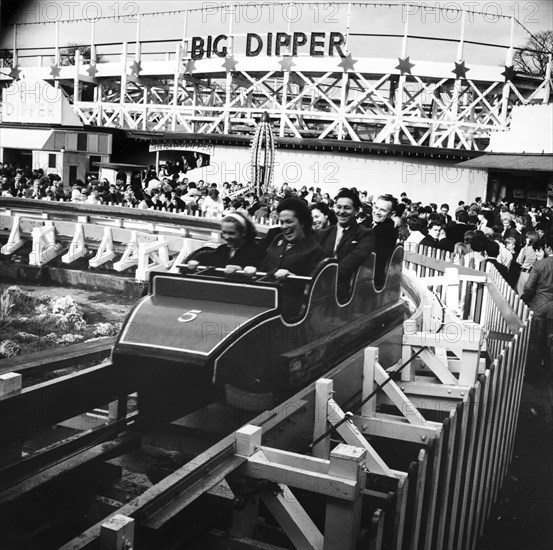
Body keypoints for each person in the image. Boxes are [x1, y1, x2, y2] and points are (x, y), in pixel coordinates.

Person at [317, 188, 375, 301]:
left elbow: (352, 261)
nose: (341, 211)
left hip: (345, 294)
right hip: (317, 289)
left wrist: (322, 278)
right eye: (338, 207)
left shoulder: (365, 234)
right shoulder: (324, 233)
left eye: (347, 208)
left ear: (356, 211)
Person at [261, 197, 324, 279]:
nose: (284, 226)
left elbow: (314, 286)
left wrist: (292, 277)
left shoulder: (315, 250)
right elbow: (263, 267)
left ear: (303, 222)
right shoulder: (278, 239)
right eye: (282, 222)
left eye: (289, 222)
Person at [188, 210, 265, 269]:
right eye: (224, 232)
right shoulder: (223, 249)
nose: (226, 237)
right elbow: (210, 258)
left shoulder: (256, 251)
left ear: (244, 232)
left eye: (231, 233)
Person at [521, 236, 553, 376]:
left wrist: (527, 298)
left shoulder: (540, 265)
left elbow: (528, 287)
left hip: (539, 303)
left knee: (535, 340)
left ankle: (532, 372)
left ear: (548, 248)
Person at [371, 194, 399, 287]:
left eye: (382, 210)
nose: (377, 212)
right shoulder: (371, 223)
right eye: (376, 207)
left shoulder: (387, 230)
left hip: (371, 280)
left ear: (392, 213)